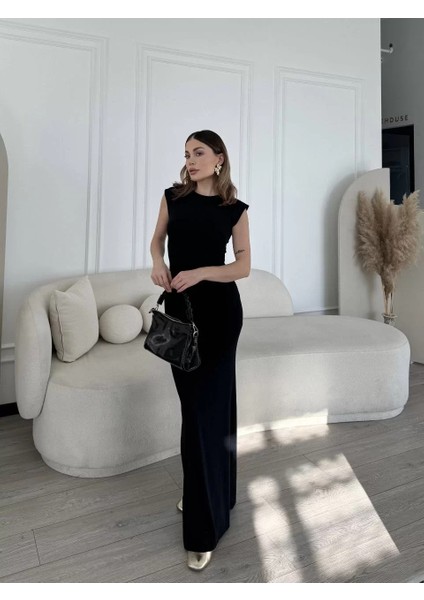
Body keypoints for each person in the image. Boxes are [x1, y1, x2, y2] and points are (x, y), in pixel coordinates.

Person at [149, 130, 251, 571]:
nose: (190, 160)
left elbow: (243, 267)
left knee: (210, 411)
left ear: (219, 158)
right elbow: (157, 242)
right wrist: (158, 262)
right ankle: (208, 494)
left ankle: (203, 526)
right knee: (196, 412)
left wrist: (201, 272)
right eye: (187, 153)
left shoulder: (234, 209)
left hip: (221, 316)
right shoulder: (172, 198)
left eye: (199, 152)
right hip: (181, 314)